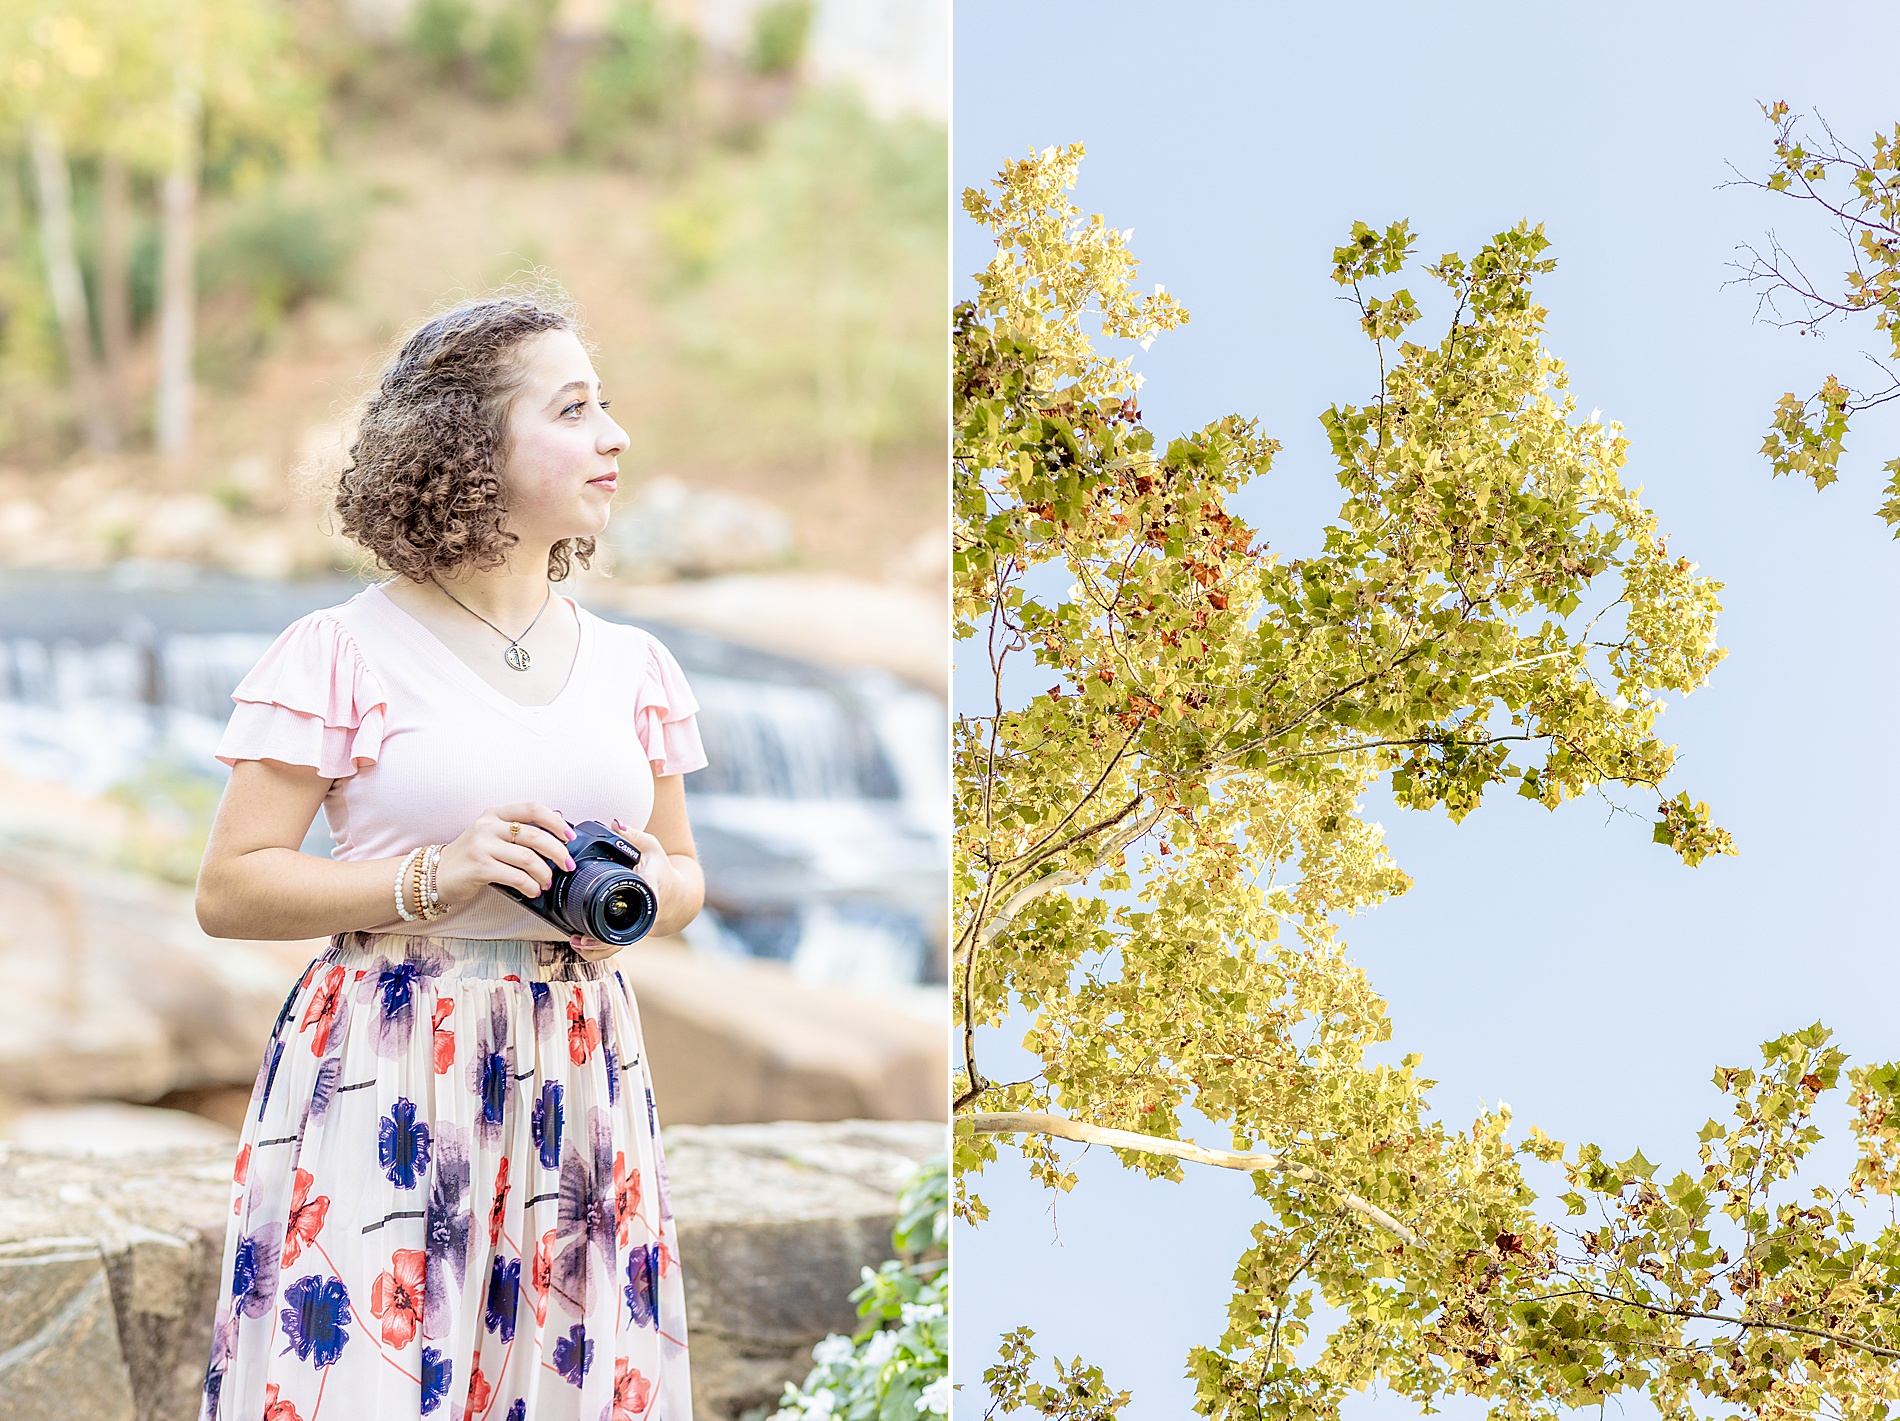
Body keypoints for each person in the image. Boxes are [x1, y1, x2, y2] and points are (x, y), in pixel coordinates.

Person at [193, 293, 703, 1421]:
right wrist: (438, 875)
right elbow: (230, 887)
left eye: (606, 403)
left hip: (582, 1063)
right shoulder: (336, 650)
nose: (614, 436)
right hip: (389, 1061)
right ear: (470, 446)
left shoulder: (636, 665)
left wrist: (625, 897)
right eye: (573, 409)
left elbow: (684, 868)